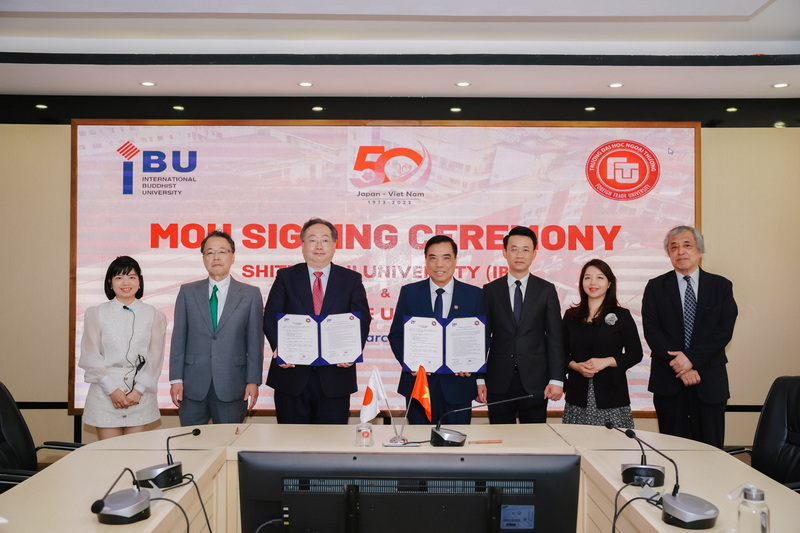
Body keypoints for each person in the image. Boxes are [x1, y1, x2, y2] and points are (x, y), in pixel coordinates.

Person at [264, 218, 372, 424]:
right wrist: (281, 348)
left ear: (334, 245)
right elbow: (271, 316)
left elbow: (362, 319)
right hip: (292, 375)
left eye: (325, 240)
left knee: (332, 440)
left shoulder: (350, 279)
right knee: (289, 439)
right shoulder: (286, 277)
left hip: (336, 376)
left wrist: (351, 350)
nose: (319, 246)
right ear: (302, 245)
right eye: (312, 240)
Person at [643, 225, 738, 448]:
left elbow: (724, 330)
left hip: (709, 381)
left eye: (687, 245)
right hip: (669, 381)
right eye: (673, 247)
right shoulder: (655, 287)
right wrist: (681, 366)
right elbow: (652, 331)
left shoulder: (721, 286)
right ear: (669, 253)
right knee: (673, 449)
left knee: (710, 450)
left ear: (699, 250)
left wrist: (691, 359)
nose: (680, 252)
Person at [388, 235, 487, 425]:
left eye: (446, 257)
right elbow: (397, 335)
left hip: (459, 387)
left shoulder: (474, 295)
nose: (439, 264)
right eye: (433, 258)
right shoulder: (409, 293)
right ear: (425, 260)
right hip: (419, 387)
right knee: (420, 441)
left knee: (456, 441)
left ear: (455, 260)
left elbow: (483, 338)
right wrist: (410, 363)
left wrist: (473, 367)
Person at [169, 230, 264, 426]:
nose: (216, 257)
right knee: (190, 441)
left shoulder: (250, 294)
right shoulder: (187, 292)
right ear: (203, 258)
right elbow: (178, 338)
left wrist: (253, 380)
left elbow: (255, 343)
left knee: (228, 440)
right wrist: (176, 379)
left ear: (232, 256)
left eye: (222, 251)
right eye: (210, 252)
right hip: (192, 386)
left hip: (233, 385)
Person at [483, 226, 565, 423]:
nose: (519, 255)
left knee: (535, 438)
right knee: (500, 438)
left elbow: (555, 338)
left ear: (534, 254)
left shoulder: (546, 290)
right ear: (504, 252)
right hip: (498, 381)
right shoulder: (490, 290)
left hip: (536, 381)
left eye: (525, 249)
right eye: (514, 249)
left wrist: (556, 379)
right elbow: (482, 337)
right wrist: (479, 378)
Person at [78, 256, 166, 440]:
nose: (126, 283)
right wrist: (112, 390)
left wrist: (139, 390)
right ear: (110, 282)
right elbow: (91, 354)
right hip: (104, 391)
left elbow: (155, 356)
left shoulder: (154, 315)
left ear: (140, 281)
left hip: (140, 394)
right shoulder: (96, 313)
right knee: (110, 452)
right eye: (119, 277)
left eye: (132, 277)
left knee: (134, 452)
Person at [561, 259, 643, 428]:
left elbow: (635, 354)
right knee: (578, 442)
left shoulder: (622, 315)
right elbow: (560, 353)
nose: (593, 282)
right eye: (587, 277)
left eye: (599, 277)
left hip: (612, 396)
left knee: (613, 444)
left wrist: (606, 361)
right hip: (577, 396)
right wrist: (576, 366)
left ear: (609, 283)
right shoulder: (571, 316)